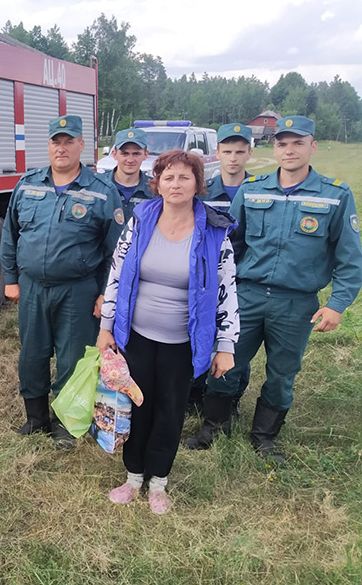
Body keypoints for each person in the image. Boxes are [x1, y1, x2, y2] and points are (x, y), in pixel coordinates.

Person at [186, 115, 362, 461]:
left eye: (298, 142)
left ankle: (264, 437)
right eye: (282, 143)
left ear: (313, 146)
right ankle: (214, 427)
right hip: (247, 296)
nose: (289, 150)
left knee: (282, 372)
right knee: (225, 363)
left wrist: (337, 304)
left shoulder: (335, 196)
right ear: (273, 148)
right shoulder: (253, 191)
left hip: (296, 303)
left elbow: (350, 258)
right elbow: (230, 245)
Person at [97, 150, 238, 514]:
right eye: (168, 177)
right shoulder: (140, 221)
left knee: (170, 411)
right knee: (137, 405)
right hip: (137, 337)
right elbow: (116, 275)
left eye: (184, 177)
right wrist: (106, 326)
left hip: (182, 342)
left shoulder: (214, 231)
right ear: (157, 183)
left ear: (197, 184)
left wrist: (225, 344)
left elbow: (226, 290)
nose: (176, 184)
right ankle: (132, 478)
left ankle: (158, 483)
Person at [1, 114, 124, 448]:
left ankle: (67, 424)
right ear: (48, 145)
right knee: (32, 354)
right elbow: (10, 235)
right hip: (32, 289)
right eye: (57, 141)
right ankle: (35, 418)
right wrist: (10, 279)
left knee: (72, 357)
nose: (62, 147)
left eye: (70, 141)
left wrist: (104, 295)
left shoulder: (101, 192)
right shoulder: (27, 185)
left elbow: (116, 251)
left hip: (78, 290)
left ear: (82, 144)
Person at [186, 122, 254, 414]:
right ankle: (194, 394)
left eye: (240, 151)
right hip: (205, 277)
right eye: (227, 151)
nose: (233, 158)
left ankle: (231, 396)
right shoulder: (202, 191)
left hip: (243, 278)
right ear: (218, 152)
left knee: (236, 341)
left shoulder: (257, 192)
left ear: (250, 153)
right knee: (200, 334)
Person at [100, 128, 153, 223]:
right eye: (125, 153)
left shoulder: (155, 189)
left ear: (146, 154)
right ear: (114, 154)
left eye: (136, 154)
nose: (130, 160)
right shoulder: (99, 186)